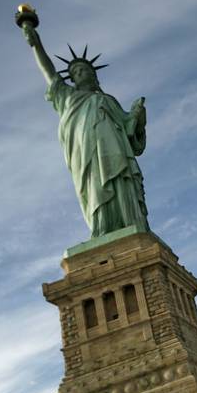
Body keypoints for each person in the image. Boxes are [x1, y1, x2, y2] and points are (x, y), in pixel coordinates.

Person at [22, 25, 150, 238]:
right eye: (77, 72)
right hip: (87, 155)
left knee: (123, 181)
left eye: (86, 70)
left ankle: (130, 222)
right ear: (72, 79)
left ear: (94, 76)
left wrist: (138, 118)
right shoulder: (67, 97)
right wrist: (36, 43)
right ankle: (102, 229)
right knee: (95, 188)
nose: (82, 74)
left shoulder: (108, 101)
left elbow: (132, 136)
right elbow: (49, 71)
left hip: (116, 152)